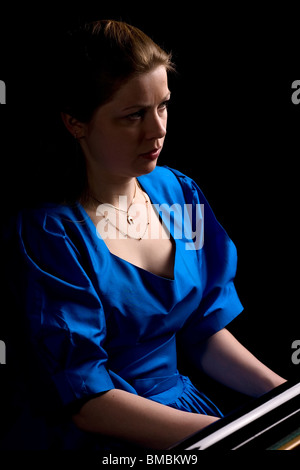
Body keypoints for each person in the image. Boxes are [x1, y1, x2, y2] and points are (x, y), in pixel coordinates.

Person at [8, 20, 285, 451]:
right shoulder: (51, 233)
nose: (157, 131)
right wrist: (220, 436)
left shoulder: (179, 191)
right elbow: (88, 400)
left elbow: (202, 329)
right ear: (75, 123)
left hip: (191, 415)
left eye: (163, 106)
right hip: (109, 438)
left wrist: (282, 395)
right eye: (134, 115)